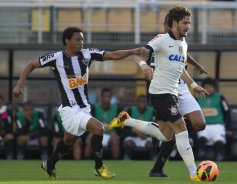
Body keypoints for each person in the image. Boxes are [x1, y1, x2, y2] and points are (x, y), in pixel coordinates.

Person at [12, 26, 147, 179]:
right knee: (99, 129)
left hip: (84, 109)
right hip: (69, 109)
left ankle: (49, 164)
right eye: (77, 39)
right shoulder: (56, 58)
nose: (81, 42)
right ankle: (99, 167)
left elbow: (113, 55)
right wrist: (19, 85)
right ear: (67, 41)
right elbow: (31, 64)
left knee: (69, 141)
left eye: (82, 39)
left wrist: (132, 51)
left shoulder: (87, 54)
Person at [110, 6, 208, 182]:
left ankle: (126, 120)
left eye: (189, 23)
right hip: (160, 93)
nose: (188, 26)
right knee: (181, 130)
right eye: (185, 23)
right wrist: (144, 66)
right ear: (173, 23)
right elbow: (137, 53)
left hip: (175, 93)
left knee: (166, 136)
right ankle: (194, 174)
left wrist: (194, 85)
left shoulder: (183, 44)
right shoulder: (161, 40)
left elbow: (180, 69)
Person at [197, 77, 230, 161]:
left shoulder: (220, 97)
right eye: (206, 87)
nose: (208, 89)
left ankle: (221, 157)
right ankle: (201, 156)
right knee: (202, 138)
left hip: (217, 125)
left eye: (210, 87)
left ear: (214, 88)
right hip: (203, 125)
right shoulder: (198, 98)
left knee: (219, 140)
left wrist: (228, 127)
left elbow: (226, 112)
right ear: (203, 88)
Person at [89, 87, 122, 160]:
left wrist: (116, 133)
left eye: (109, 96)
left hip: (110, 135)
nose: (107, 98)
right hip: (97, 134)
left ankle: (116, 162)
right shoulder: (94, 109)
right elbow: (89, 123)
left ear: (111, 97)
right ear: (101, 97)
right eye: (105, 96)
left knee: (115, 140)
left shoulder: (117, 109)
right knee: (89, 139)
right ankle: (85, 160)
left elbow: (120, 126)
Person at [123, 95, 156, 160]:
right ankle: (127, 159)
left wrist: (146, 132)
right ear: (136, 102)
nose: (142, 103)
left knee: (151, 144)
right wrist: (136, 131)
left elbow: (155, 126)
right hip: (133, 137)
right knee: (129, 143)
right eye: (140, 101)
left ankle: (153, 160)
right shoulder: (130, 111)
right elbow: (125, 128)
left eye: (144, 101)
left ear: (147, 102)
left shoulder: (152, 111)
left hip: (147, 137)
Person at [0, 94, 14, 160]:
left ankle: (9, 156)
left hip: (4, 134)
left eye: (0, 103)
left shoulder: (5, 113)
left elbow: (8, 125)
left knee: (9, 137)